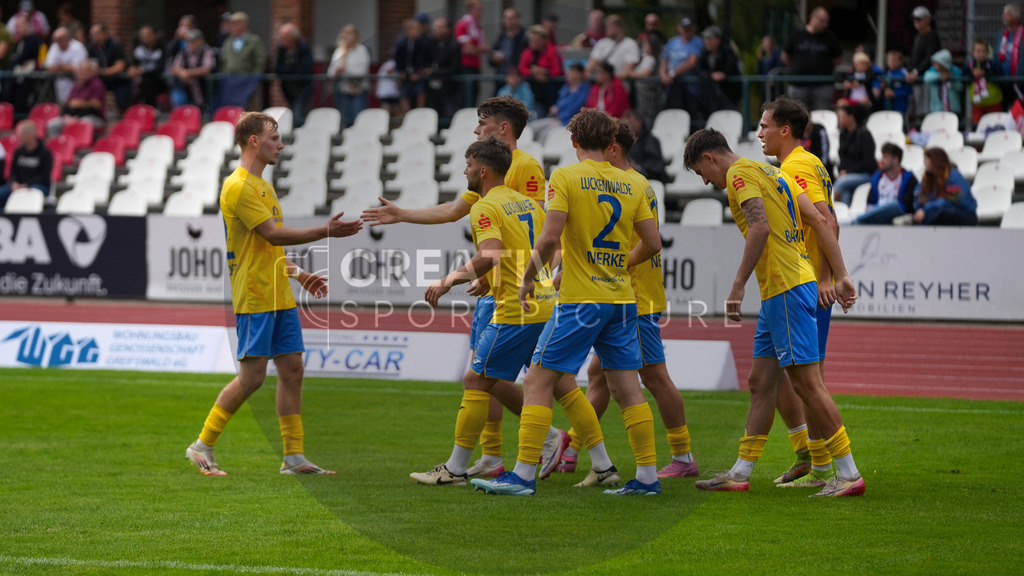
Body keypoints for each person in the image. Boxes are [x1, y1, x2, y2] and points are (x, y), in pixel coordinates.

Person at [471, 108, 664, 497]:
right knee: (628, 389)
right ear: (611, 143)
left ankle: (523, 475)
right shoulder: (632, 183)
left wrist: (529, 280)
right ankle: (647, 478)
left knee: (538, 380)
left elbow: (548, 239)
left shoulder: (566, 176)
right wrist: (616, 265)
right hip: (623, 299)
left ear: (573, 141)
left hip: (580, 299)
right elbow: (654, 243)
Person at [362, 96, 555, 480]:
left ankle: (554, 448)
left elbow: (514, 242)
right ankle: (497, 455)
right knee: (498, 375)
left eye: (481, 124)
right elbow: (460, 211)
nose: (475, 129)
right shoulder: (502, 191)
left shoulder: (524, 169)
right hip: (519, 289)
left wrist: (457, 276)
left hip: (516, 293)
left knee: (533, 379)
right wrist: (402, 214)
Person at [683, 127, 865, 497]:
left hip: (784, 286)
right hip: (784, 287)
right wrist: (840, 274)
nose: (706, 182)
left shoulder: (738, 175)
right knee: (760, 381)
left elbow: (760, 228)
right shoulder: (772, 171)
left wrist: (737, 285)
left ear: (709, 158)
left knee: (806, 384)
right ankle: (741, 470)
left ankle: (848, 474)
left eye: (702, 174)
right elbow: (820, 219)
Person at [184, 112, 364, 477]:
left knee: (293, 369)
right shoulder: (239, 186)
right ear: (254, 141)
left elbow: (270, 250)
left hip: (278, 292)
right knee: (252, 378)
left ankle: (294, 458)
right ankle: (202, 445)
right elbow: (273, 236)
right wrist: (325, 232)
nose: (280, 144)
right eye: (274, 137)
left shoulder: (263, 187)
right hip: (255, 294)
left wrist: (299, 274)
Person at [555, 119, 699, 481]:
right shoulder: (631, 184)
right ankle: (571, 448)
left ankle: (682, 456)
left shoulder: (636, 186)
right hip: (622, 296)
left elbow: (647, 243)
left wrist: (614, 264)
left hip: (636, 297)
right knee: (599, 376)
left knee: (654, 377)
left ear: (613, 148)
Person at [410, 137, 559, 486]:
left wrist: (449, 279)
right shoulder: (527, 202)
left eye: (468, 163)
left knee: (476, 380)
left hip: (515, 309)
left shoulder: (485, 206)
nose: (465, 170)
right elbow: (548, 250)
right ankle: (580, 454)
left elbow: (489, 254)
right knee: (536, 383)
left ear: (483, 169)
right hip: (544, 303)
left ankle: (455, 469)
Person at [757, 96, 844, 488]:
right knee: (782, 378)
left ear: (784, 130)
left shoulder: (798, 165)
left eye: (764, 126)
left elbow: (826, 221)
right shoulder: (803, 163)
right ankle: (814, 462)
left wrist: (827, 278)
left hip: (802, 283)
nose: (760, 133)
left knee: (809, 380)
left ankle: (830, 468)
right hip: (796, 281)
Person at [782, 7, 842, 111]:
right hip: (798, 85)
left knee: (823, 115)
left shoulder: (830, 37)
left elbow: (838, 58)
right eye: (822, 21)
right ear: (813, 17)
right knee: (797, 116)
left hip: (822, 86)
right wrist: (796, 67)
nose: (825, 25)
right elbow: (785, 55)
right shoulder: (797, 34)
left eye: (827, 22)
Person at [852, 142, 918, 225]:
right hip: (878, 214)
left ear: (895, 160)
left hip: (898, 214)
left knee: (893, 205)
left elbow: (905, 205)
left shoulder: (909, 178)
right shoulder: (877, 178)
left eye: (885, 157)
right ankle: (857, 220)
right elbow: (870, 201)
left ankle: (857, 220)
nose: (882, 160)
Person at [912, 147, 977, 226]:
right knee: (918, 218)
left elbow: (952, 199)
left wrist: (927, 208)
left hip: (964, 214)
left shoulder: (953, 175)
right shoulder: (927, 178)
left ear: (935, 160)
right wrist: (920, 201)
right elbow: (917, 194)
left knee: (943, 214)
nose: (924, 162)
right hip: (936, 212)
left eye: (926, 159)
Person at [527, 62, 588, 143]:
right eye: (569, 72)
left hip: (568, 122)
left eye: (572, 72)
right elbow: (559, 104)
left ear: (579, 74)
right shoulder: (565, 88)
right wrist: (556, 108)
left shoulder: (585, 89)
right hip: (556, 119)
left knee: (544, 134)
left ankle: (538, 153)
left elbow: (576, 108)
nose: (569, 74)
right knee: (531, 128)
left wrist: (560, 116)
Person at [219, 12, 267, 110]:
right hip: (230, 82)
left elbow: (260, 61)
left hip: (247, 82)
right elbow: (224, 61)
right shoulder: (228, 41)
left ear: (244, 24)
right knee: (231, 109)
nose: (232, 26)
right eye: (231, 23)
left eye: (235, 23)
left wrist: (254, 78)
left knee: (249, 110)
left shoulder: (254, 40)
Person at [47, 60, 107, 137]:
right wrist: (66, 116)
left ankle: (78, 146)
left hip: (93, 117)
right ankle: (58, 145)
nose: (79, 73)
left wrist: (79, 106)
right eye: (78, 71)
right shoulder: (76, 85)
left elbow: (96, 106)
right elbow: (68, 104)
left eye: (82, 71)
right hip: (73, 115)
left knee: (82, 123)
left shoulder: (97, 84)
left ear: (91, 72)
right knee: (52, 125)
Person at [660, 17, 703, 123]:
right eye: (684, 28)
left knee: (691, 118)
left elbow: (692, 61)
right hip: (672, 87)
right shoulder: (672, 42)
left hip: (690, 89)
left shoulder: (697, 42)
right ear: (679, 28)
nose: (686, 31)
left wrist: (673, 73)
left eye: (689, 28)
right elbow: (664, 60)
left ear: (693, 29)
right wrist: (663, 75)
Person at [0, 120, 51, 210]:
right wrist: (15, 183)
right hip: (18, 185)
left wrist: (26, 185)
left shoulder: (45, 153)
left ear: (30, 135)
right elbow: (13, 172)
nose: (18, 137)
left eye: (20, 134)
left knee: (32, 193)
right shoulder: (18, 152)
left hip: (38, 185)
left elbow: (44, 176)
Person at [833, 100, 876, 205]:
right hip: (848, 176)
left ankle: (828, 209)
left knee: (840, 183)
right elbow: (842, 158)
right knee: (845, 191)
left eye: (841, 117)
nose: (839, 120)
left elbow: (868, 162)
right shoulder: (844, 135)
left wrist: (847, 172)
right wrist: (842, 171)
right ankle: (843, 218)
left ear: (851, 117)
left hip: (866, 175)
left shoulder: (864, 134)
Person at [906, 6, 942, 121]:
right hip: (916, 80)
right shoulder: (918, 36)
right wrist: (910, 71)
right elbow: (914, 59)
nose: (916, 22)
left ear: (928, 20)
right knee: (915, 111)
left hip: (927, 80)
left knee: (925, 113)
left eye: (919, 19)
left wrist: (916, 72)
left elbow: (930, 58)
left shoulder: (932, 37)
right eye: (915, 19)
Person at [518, 24, 562, 118]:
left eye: (536, 40)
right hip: (533, 89)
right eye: (531, 40)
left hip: (549, 89)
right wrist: (533, 72)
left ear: (544, 40)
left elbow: (557, 70)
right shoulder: (527, 52)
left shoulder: (551, 51)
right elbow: (522, 69)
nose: (533, 43)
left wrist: (544, 71)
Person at [696, 25, 741, 115]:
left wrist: (723, 74)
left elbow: (731, 68)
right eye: (705, 39)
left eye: (709, 39)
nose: (706, 42)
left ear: (717, 39)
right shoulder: (705, 53)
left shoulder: (727, 51)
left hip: (728, 94)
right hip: (711, 96)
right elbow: (699, 70)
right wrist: (711, 75)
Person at [274, 24, 313, 127]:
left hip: (302, 87)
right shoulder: (282, 49)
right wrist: (292, 70)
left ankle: (299, 135)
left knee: (298, 114)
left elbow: (305, 68)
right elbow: (277, 69)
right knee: (292, 111)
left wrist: (288, 70)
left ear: (293, 37)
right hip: (287, 87)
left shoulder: (303, 47)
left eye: (286, 37)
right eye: (282, 36)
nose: (283, 39)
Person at [88, 23, 130, 113]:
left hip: (119, 79)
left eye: (96, 34)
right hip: (103, 80)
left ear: (104, 33)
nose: (93, 37)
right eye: (92, 35)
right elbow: (92, 65)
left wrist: (102, 72)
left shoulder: (115, 45)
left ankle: (122, 119)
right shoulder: (92, 47)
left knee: (122, 103)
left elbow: (120, 66)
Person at [426, 18, 462, 120]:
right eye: (435, 27)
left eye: (440, 27)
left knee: (448, 116)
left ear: (448, 29)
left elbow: (454, 68)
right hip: (432, 90)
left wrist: (436, 73)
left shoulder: (454, 46)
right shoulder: (431, 44)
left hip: (449, 89)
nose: (436, 30)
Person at [170, 30, 216, 110]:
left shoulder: (207, 51)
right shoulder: (184, 52)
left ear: (201, 40)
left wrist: (188, 73)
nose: (191, 43)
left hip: (204, 89)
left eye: (194, 40)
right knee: (178, 96)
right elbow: (174, 68)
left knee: (205, 108)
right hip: (187, 88)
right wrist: (182, 73)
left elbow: (206, 69)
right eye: (189, 41)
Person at [624, 35, 662, 128]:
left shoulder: (650, 59)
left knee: (646, 115)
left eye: (646, 44)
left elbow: (645, 73)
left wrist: (631, 73)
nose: (644, 46)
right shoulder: (646, 58)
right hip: (641, 92)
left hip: (647, 93)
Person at [44, 26, 88, 105]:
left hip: (77, 85)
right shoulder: (54, 47)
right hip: (60, 86)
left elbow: (79, 68)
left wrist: (59, 67)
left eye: (60, 39)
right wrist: (66, 67)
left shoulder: (78, 47)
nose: (58, 42)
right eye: (56, 40)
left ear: (67, 38)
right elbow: (49, 67)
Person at [965, 39, 1004, 125]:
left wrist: (985, 74)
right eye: (978, 51)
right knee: (977, 126)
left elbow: (1001, 77)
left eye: (984, 51)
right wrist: (972, 74)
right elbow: (964, 77)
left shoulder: (993, 64)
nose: (981, 53)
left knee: (995, 126)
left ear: (987, 52)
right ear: (973, 52)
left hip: (994, 103)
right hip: (977, 104)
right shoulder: (969, 65)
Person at [623, 109, 668, 183]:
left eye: (631, 124)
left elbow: (656, 166)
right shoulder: (626, 142)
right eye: (625, 125)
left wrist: (638, 168)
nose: (628, 128)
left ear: (639, 121)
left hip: (652, 181)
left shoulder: (651, 141)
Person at [394, 18, 430, 112]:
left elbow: (423, 59)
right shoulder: (401, 43)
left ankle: (419, 112)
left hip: (418, 73)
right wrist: (401, 71)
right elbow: (398, 59)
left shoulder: (422, 43)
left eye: (418, 28)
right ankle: (407, 114)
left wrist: (418, 72)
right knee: (404, 93)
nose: (417, 31)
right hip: (405, 74)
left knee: (420, 91)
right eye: (414, 28)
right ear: (407, 30)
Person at [455, 0, 486, 104]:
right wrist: (478, 49)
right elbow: (469, 49)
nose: (480, 12)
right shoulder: (463, 24)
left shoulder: (477, 26)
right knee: (466, 98)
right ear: (470, 9)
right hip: (466, 66)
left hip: (476, 66)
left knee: (475, 96)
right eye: (478, 9)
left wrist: (476, 49)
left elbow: (485, 48)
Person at [127, 25, 166, 107]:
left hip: (158, 80)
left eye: (148, 35)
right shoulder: (138, 49)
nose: (145, 37)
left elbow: (160, 67)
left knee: (148, 81)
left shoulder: (162, 49)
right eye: (143, 35)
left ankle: (151, 108)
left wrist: (143, 71)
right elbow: (133, 64)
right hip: (141, 80)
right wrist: (132, 69)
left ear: (155, 35)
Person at [8, 14, 40, 113]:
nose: (19, 28)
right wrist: (16, 60)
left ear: (28, 24)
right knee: (11, 94)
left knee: (23, 98)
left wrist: (17, 60)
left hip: (29, 75)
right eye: (18, 26)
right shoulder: (19, 40)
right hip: (17, 75)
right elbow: (14, 57)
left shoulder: (33, 39)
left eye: (21, 25)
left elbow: (24, 56)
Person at [488, 8, 527, 84]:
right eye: (505, 18)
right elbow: (491, 56)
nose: (507, 21)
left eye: (510, 18)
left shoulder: (524, 37)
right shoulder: (501, 37)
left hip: (518, 80)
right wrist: (494, 59)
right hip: (502, 79)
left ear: (518, 19)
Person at [923, 49, 964, 115]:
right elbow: (926, 78)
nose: (935, 65)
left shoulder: (954, 71)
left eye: (937, 63)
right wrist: (939, 76)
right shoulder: (933, 70)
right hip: (936, 108)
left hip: (952, 108)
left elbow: (960, 88)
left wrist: (951, 79)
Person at [998, 3, 1024, 108]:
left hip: (1019, 82)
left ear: (1016, 18)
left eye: (1007, 14)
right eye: (1004, 14)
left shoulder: (1022, 34)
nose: (1004, 17)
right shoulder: (1001, 34)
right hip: (1003, 81)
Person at [880, 50, 912, 119]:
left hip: (901, 106)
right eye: (889, 60)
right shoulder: (888, 73)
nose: (891, 63)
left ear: (901, 62)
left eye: (894, 60)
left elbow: (909, 91)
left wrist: (895, 93)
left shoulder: (904, 73)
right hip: (889, 106)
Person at [376, 51, 401, 119]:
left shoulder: (391, 63)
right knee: (386, 112)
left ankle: (396, 128)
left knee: (396, 111)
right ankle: (385, 128)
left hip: (393, 92)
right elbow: (389, 71)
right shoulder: (391, 63)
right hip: (386, 92)